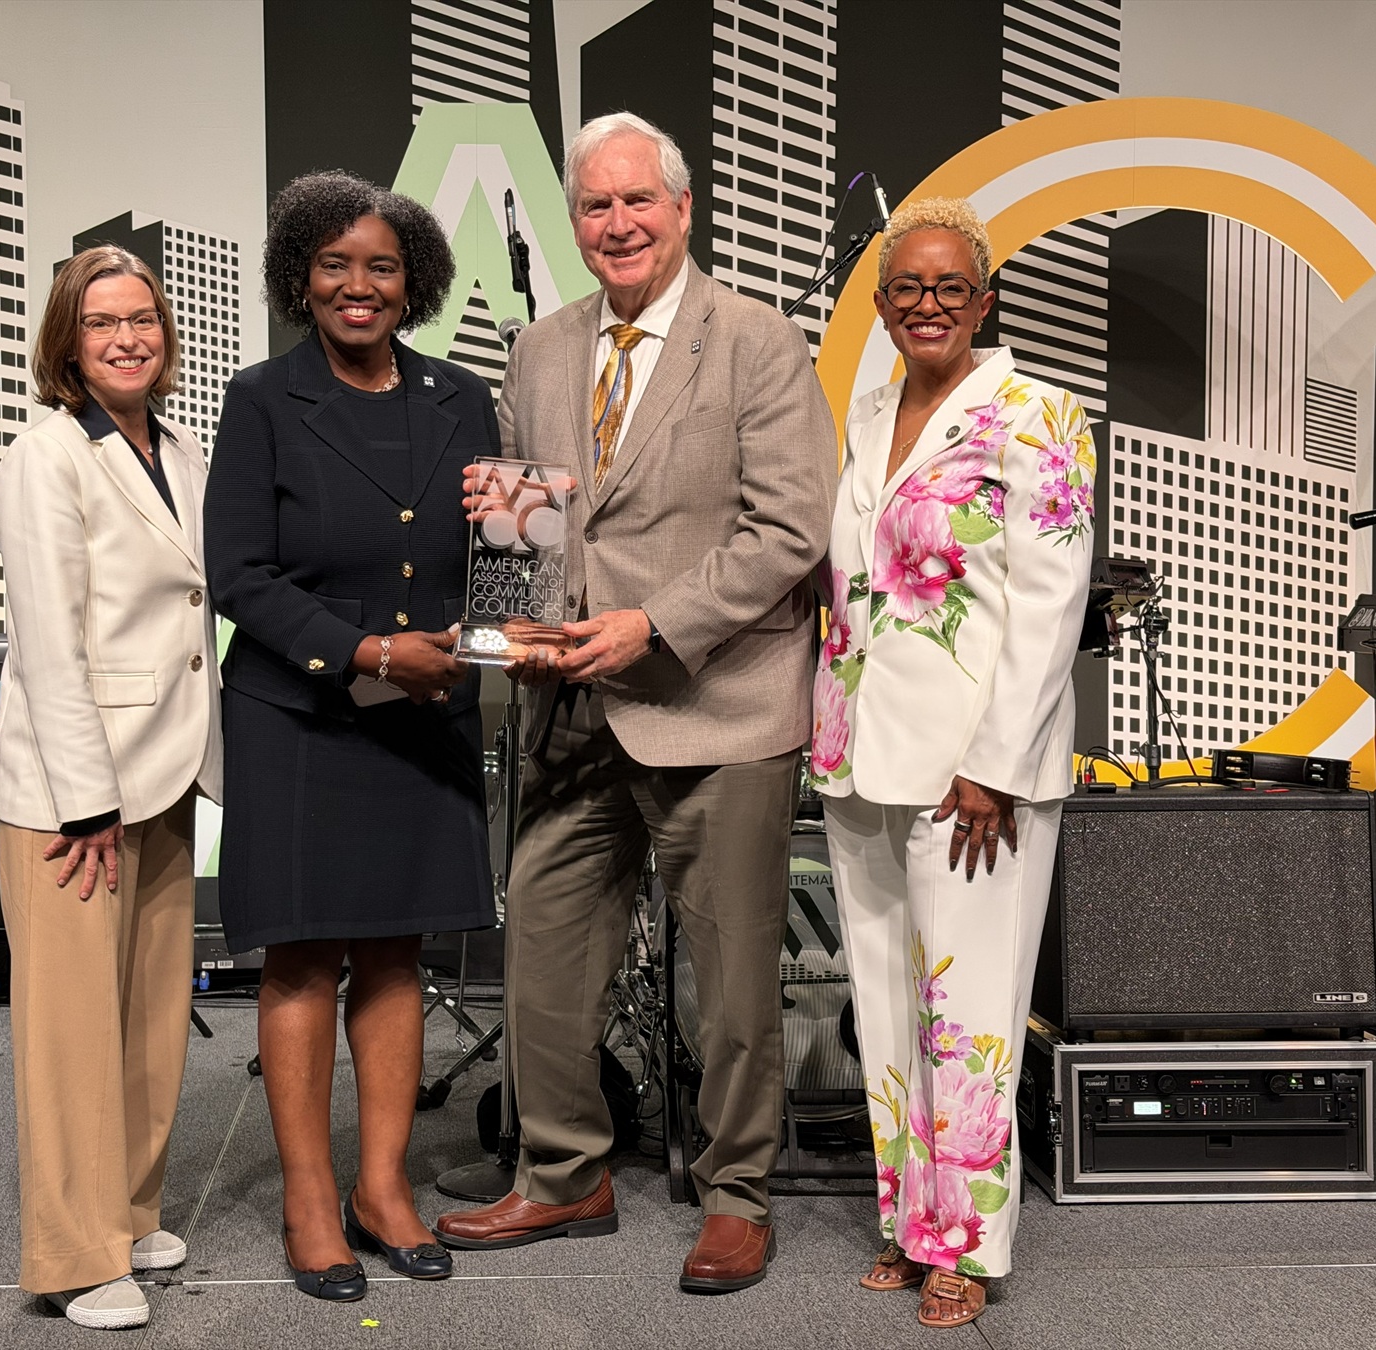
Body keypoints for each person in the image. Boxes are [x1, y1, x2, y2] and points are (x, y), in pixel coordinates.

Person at [435, 112, 836, 1294]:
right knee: (546, 961)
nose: (616, 225)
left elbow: (789, 531)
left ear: (681, 209)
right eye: (595, 208)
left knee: (729, 982)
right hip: (571, 709)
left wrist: (653, 627)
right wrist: (506, 571)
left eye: (636, 203)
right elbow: (543, 521)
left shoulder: (757, 341)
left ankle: (736, 1194)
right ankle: (565, 1177)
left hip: (718, 704)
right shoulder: (543, 347)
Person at [204, 172, 498, 1304]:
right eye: (335, 266)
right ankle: (309, 1200)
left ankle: (383, 1189)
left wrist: (498, 628)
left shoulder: (463, 397)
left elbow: (501, 550)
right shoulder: (263, 400)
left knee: (394, 952)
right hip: (301, 715)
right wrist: (370, 653)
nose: (358, 286)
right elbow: (239, 574)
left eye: (380, 266)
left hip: (427, 714)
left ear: (412, 279)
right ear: (300, 278)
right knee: (301, 957)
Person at [809, 197, 1094, 1329]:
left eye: (949, 287)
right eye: (905, 289)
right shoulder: (869, 406)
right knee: (881, 1000)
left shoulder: (1040, 412)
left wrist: (997, 764)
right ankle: (906, 1218)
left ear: (984, 300)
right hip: (858, 754)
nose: (926, 305)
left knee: (969, 1014)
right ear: (880, 307)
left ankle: (967, 1245)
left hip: (976, 773)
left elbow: (1049, 603)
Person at [0, 246, 223, 1330]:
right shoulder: (44, 454)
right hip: (74, 798)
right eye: (102, 324)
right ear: (65, 342)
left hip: (167, 771)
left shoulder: (178, 445)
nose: (128, 337)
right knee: (73, 1027)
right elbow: (47, 638)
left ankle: (128, 1211)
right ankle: (74, 1253)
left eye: (143, 318)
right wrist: (86, 800)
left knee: (146, 1018)